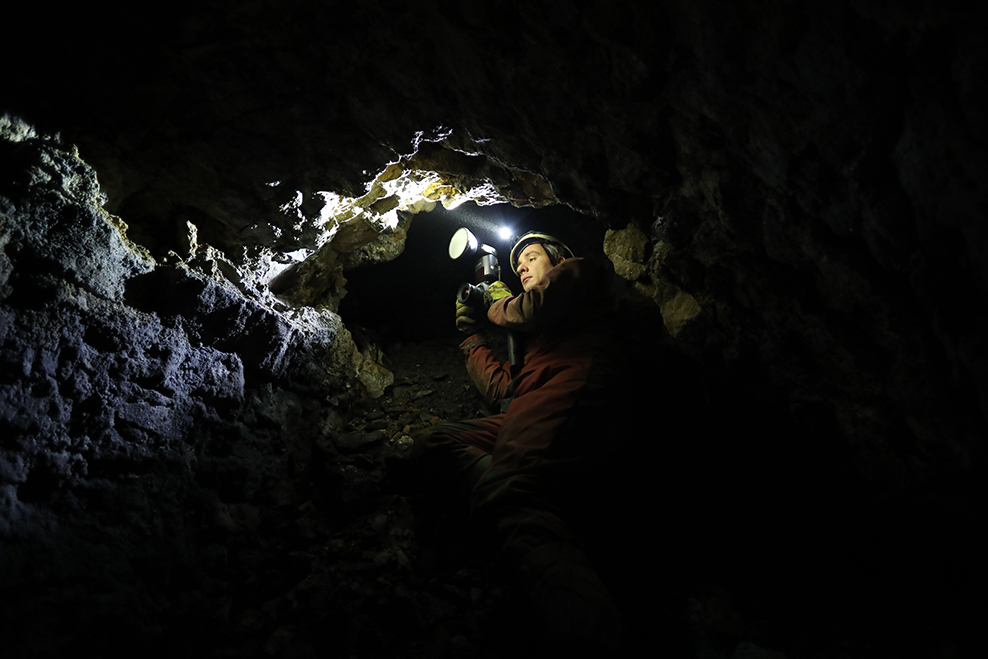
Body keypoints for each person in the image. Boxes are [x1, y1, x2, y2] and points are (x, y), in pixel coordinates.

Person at [414, 230, 630, 654]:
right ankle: (504, 486)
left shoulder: (580, 272)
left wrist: (497, 301)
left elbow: (532, 308)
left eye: (531, 257)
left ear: (557, 257)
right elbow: (504, 393)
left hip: (573, 390)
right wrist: (472, 336)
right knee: (436, 443)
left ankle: (596, 639)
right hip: (528, 410)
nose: (523, 267)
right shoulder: (540, 335)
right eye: (517, 266)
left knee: (517, 495)